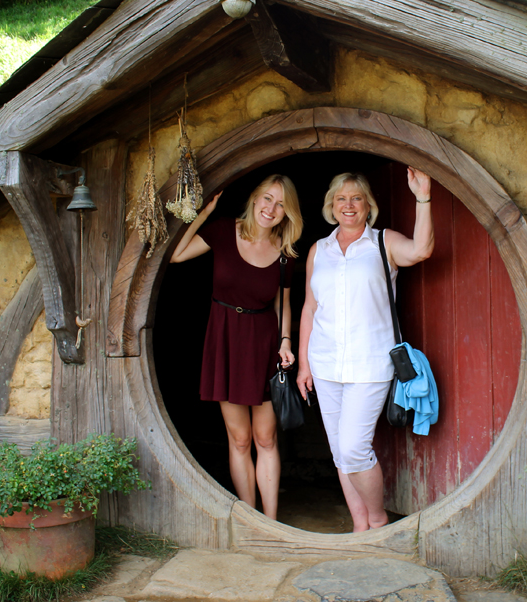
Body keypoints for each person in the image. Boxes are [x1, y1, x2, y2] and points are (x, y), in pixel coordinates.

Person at [296, 168, 434, 532]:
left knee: (355, 448)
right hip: (324, 363)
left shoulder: (382, 242)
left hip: (370, 362)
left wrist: (423, 197)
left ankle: (377, 518)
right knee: (341, 452)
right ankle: (360, 526)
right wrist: (303, 365)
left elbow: (421, 250)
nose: (348, 205)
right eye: (341, 198)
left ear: (368, 205)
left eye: (356, 198)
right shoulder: (318, 250)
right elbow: (310, 307)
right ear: (331, 205)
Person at [170, 174, 303, 520]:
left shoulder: (285, 254)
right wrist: (204, 212)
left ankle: (271, 522)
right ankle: (250, 518)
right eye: (267, 199)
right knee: (240, 439)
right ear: (255, 199)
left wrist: (285, 341)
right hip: (225, 338)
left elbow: (283, 304)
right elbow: (176, 255)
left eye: (280, 204)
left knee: (266, 438)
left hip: (263, 343)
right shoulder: (224, 230)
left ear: (287, 213)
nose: (271, 209)